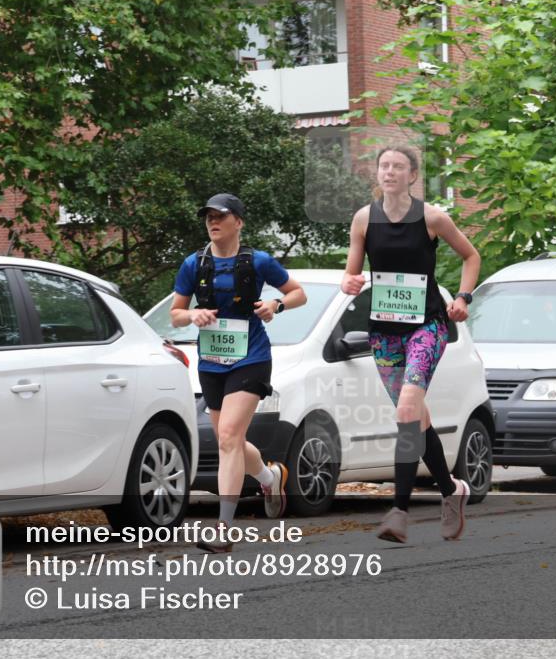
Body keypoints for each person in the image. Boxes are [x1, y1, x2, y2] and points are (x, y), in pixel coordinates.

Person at [341, 146, 481, 542]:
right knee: (416, 419)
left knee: (406, 408)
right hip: (384, 331)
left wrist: (462, 298)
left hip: (428, 326)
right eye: (384, 166)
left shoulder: (433, 217)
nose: (389, 172)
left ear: (412, 175)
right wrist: (349, 281)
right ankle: (452, 490)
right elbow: (351, 273)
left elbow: (471, 257)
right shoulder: (364, 219)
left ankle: (398, 510)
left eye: (398, 167)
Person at [171, 193, 307, 552]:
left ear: (238, 222)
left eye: (220, 216)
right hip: (211, 361)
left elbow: (298, 293)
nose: (213, 222)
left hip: (251, 357)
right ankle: (269, 476)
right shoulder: (194, 264)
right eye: (208, 216)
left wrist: (276, 304)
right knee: (227, 440)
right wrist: (192, 316)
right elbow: (175, 314)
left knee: (230, 434)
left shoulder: (258, 261)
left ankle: (224, 529)